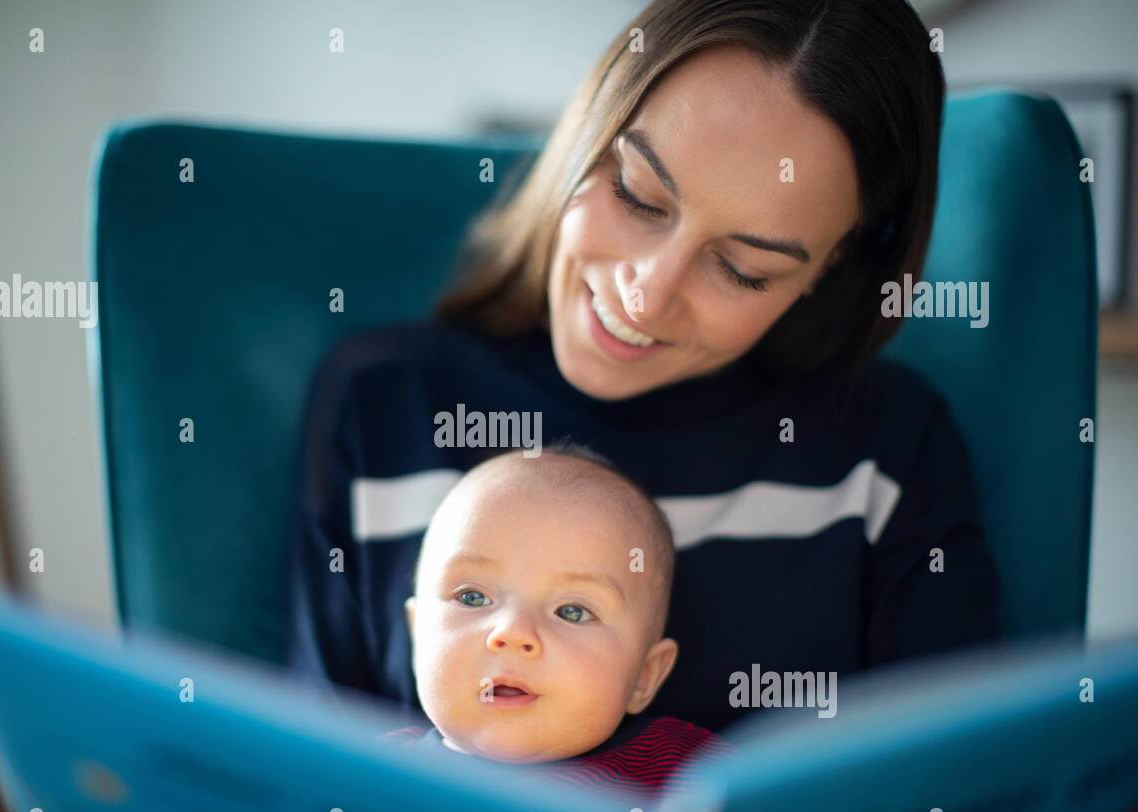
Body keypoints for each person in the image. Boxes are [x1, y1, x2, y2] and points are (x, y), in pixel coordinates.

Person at [285, 0, 1000, 733]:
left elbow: (956, 801)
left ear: (833, 266)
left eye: (742, 268)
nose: (648, 294)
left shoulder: (886, 449)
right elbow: (320, 801)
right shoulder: (383, 405)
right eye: (637, 194)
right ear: (586, 134)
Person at [382, 444, 733, 799]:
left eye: (572, 612)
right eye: (472, 597)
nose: (513, 633)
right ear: (416, 634)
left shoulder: (687, 774)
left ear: (644, 675)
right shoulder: (371, 775)